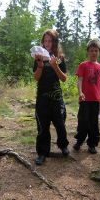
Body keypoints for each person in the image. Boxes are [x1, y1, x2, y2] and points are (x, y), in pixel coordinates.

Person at [33, 29, 69, 165]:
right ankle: (42, 152)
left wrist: (55, 66)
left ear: (54, 42)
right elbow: (36, 78)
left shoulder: (59, 57)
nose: (47, 43)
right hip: (42, 96)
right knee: (42, 125)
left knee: (60, 122)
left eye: (50, 41)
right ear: (43, 42)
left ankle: (63, 145)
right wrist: (40, 66)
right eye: (45, 41)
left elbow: (64, 78)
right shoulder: (38, 56)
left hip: (56, 96)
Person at [73, 39, 100, 154]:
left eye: (96, 50)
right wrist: (80, 92)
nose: (94, 53)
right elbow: (80, 80)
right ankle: (79, 141)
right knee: (82, 121)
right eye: (91, 50)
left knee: (93, 122)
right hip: (84, 99)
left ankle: (92, 144)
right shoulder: (83, 65)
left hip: (96, 100)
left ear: (99, 52)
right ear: (88, 52)